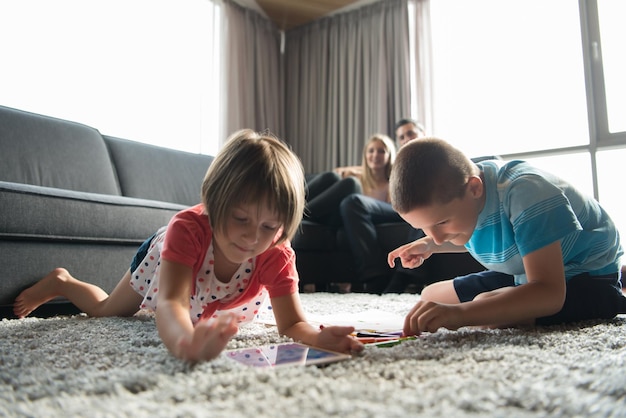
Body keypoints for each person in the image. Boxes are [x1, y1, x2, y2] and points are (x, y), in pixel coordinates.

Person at [13, 129, 363, 362]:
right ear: (213, 203)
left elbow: (291, 324)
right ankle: (63, 281)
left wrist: (319, 339)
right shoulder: (189, 229)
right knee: (108, 310)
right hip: (166, 254)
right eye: (240, 219)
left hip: (214, 293)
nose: (252, 237)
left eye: (269, 226)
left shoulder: (276, 252)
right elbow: (172, 303)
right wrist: (184, 343)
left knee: (205, 313)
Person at [387, 137, 626, 334]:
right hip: (527, 271)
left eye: (441, 223)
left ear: (474, 188)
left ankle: (609, 300)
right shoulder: (471, 197)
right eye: (425, 228)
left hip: (584, 277)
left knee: (485, 309)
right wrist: (429, 245)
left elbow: (550, 293)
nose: (438, 237)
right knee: (431, 297)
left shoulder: (527, 194)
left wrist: (460, 315)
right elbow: (481, 233)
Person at [339, 118, 426, 293]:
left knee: (423, 210)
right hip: (396, 208)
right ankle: (376, 275)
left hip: (415, 207)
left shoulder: (433, 155)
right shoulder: (401, 161)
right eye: (401, 137)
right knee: (352, 202)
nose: (406, 139)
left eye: (410, 133)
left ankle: (404, 276)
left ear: (422, 134)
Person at [304, 133, 396, 227]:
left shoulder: (391, 184)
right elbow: (336, 172)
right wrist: (357, 170)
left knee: (351, 183)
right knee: (333, 177)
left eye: (381, 151)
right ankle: (297, 209)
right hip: (326, 213)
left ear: (390, 156)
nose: (375, 155)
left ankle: (301, 215)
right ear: (365, 155)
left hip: (348, 218)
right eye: (371, 151)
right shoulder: (359, 177)